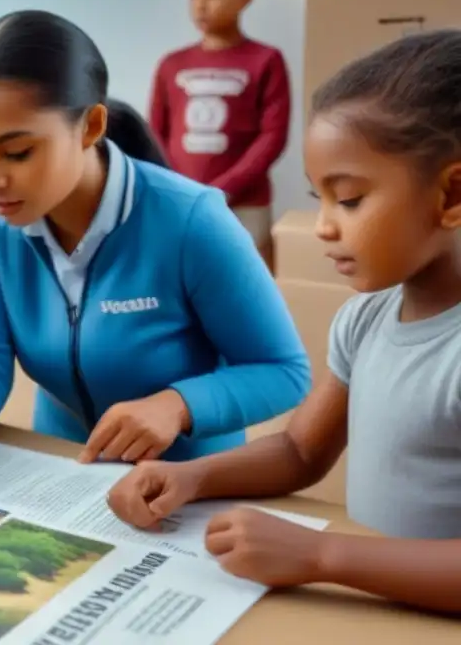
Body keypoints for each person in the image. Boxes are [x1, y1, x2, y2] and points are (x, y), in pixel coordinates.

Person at [0, 9, 309, 504]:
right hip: (60, 478)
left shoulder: (192, 221)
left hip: (186, 491)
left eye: (16, 153)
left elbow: (283, 370)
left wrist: (176, 407)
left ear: (90, 125)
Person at [108, 30, 461, 615]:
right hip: (379, 611)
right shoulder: (364, 319)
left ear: (451, 193)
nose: (323, 225)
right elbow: (300, 451)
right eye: (318, 198)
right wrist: (193, 477)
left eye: (348, 200)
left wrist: (322, 557)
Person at [148, 0, 291, 269]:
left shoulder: (266, 59)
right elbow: (154, 133)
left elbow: (273, 136)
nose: (200, 4)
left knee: (250, 285)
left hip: (245, 203)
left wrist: (224, 188)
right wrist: (172, 186)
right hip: (179, 199)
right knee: (182, 281)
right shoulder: (172, 64)